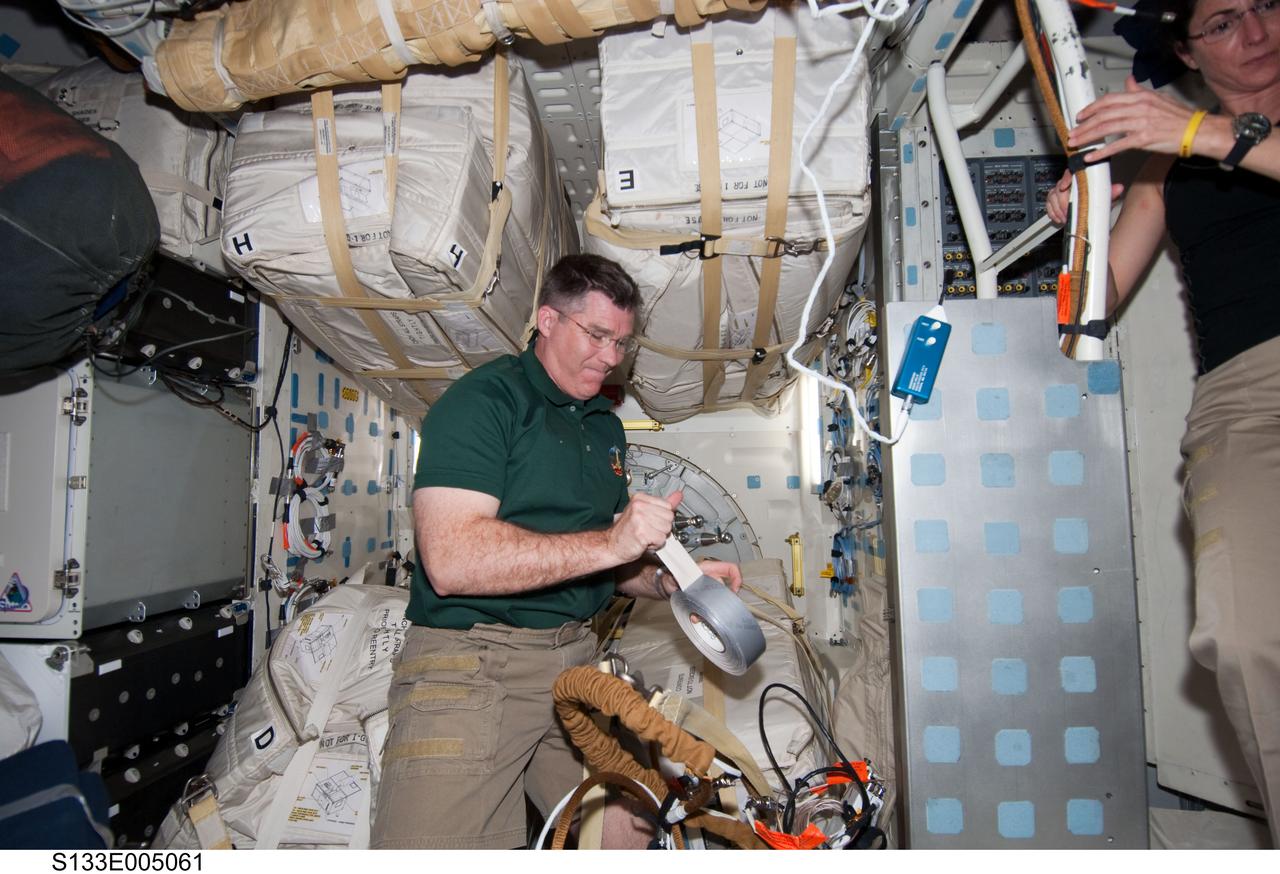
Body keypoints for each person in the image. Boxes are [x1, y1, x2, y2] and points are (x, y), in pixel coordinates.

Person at [369, 253, 743, 849]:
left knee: (632, 834)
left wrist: (668, 580)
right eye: (596, 335)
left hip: (574, 661)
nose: (611, 357)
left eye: (623, 342)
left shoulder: (603, 426)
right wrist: (612, 540)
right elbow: (452, 562)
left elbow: (600, 562)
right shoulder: (483, 403)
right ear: (547, 320)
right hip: (475, 662)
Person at [1047, 0, 1280, 844]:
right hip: (1247, 395)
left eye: (1265, 7)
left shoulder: (1191, 137)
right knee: (1245, 635)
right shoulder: (1168, 162)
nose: (1254, 33)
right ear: (1184, 46)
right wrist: (1080, 231)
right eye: (1223, 22)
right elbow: (1093, 308)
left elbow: (1207, 139)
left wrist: (1208, 135)